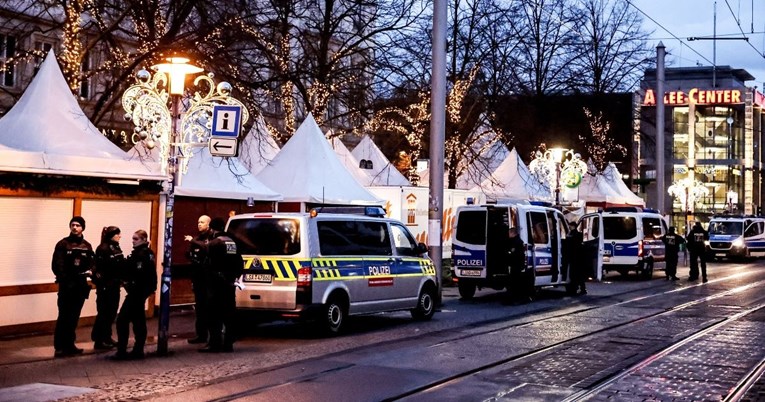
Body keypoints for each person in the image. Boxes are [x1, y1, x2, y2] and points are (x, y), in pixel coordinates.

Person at [51, 216, 95, 357]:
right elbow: (57, 265)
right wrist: (65, 279)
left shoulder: (87, 246)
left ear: (82, 228)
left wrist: (91, 271)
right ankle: (59, 346)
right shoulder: (63, 244)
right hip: (66, 286)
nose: (75, 227)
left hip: (80, 286)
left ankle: (70, 344)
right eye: (73, 225)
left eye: (78, 225)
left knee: (74, 317)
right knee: (64, 315)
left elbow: (92, 262)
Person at [199, 218, 243, 353]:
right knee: (228, 314)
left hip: (215, 284)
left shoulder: (214, 243)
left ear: (212, 229)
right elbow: (239, 262)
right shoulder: (232, 242)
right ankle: (228, 343)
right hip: (229, 284)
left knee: (213, 315)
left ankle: (214, 343)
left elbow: (206, 262)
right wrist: (234, 277)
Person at [113, 230, 157, 360]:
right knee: (138, 320)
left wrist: (128, 281)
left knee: (123, 320)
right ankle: (137, 349)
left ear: (143, 239)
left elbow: (139, 274)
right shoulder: (144, 253)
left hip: (137, 292)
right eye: (133, 238)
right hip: (139, 292)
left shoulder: (142, 255)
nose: (133, 241)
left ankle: (123, 350)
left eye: (136, 239)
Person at [91, 226, 124, 350]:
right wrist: (102, 284)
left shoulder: (116, 247)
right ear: (112, 235)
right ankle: (99, 340)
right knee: (104, 313)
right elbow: (99, 269)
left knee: (111, 312)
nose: (120, 236)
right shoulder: (103, 249)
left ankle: (107, 336)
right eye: (118, 234)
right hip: (106, 286)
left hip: (115, 285)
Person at [184, 215, 213, 344]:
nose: (199, 224)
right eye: (198, 222)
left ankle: (211, 336)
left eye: (202, 222)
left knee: (209, 308)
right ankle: (201, 335)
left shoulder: (210, 238)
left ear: (208, 224)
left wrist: (193, 242)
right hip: (198, 279)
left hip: (208, 279)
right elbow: (191, 255)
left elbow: (207, 248)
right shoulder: (197, 239)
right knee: (200, 308)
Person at [507, 227, 533, 303]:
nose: (508, 234)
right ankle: (514, 298)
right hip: (515, 265)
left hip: (516, 265)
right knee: (513, 282)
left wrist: (509, 255)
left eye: (509, 233)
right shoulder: (514, 241)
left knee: (516, 282)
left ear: (513, 233)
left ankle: (517, 298)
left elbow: (516, 254)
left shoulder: (517, 242)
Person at [566, 222, 587, 295]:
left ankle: (579, 289)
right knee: (576, 275)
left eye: (570, 226)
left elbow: (572, 245)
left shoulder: (574, 235)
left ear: (574, 226)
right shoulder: (573, 234)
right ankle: (577, 288)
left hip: (576, 258)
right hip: (576, 258)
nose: (569, 227)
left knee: (576, 275)